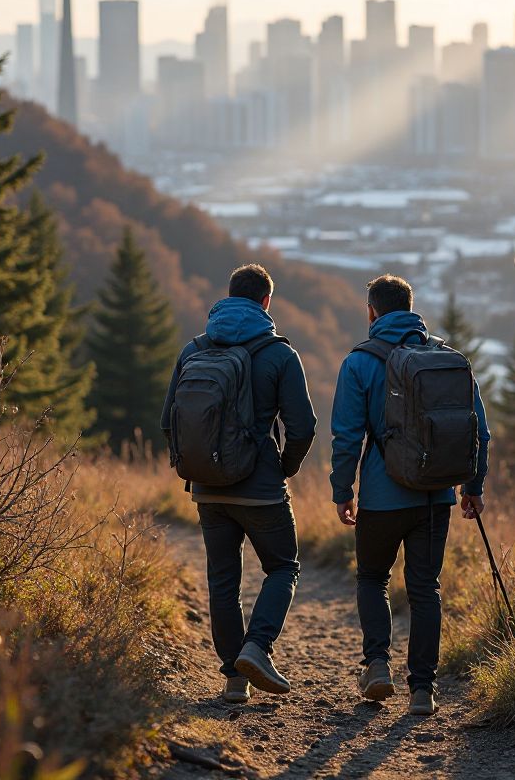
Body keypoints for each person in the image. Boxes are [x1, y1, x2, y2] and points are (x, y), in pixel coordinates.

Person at [330, 274, 491, 716]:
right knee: (425, 590)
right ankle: (423, 690)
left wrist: (343, 490)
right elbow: (479, 430)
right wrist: (472, 488)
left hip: (382, 497)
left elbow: (346, 435)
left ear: (371, 312)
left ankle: (377, 665)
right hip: (434, 498)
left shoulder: (359, 363)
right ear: (412, 308)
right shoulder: (445, 358)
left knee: (371, 579)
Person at [161, 263, 317, 704]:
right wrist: (284, 466)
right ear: (266, 301)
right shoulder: (279, 354)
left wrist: (199, 466)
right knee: (283, 566)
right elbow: (303, 426)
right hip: (261, 487)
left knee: (223, 581)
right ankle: (258, 647)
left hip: (207, 488)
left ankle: (234, 679)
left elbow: (167, 421)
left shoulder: (194, 349)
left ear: (228, 296)